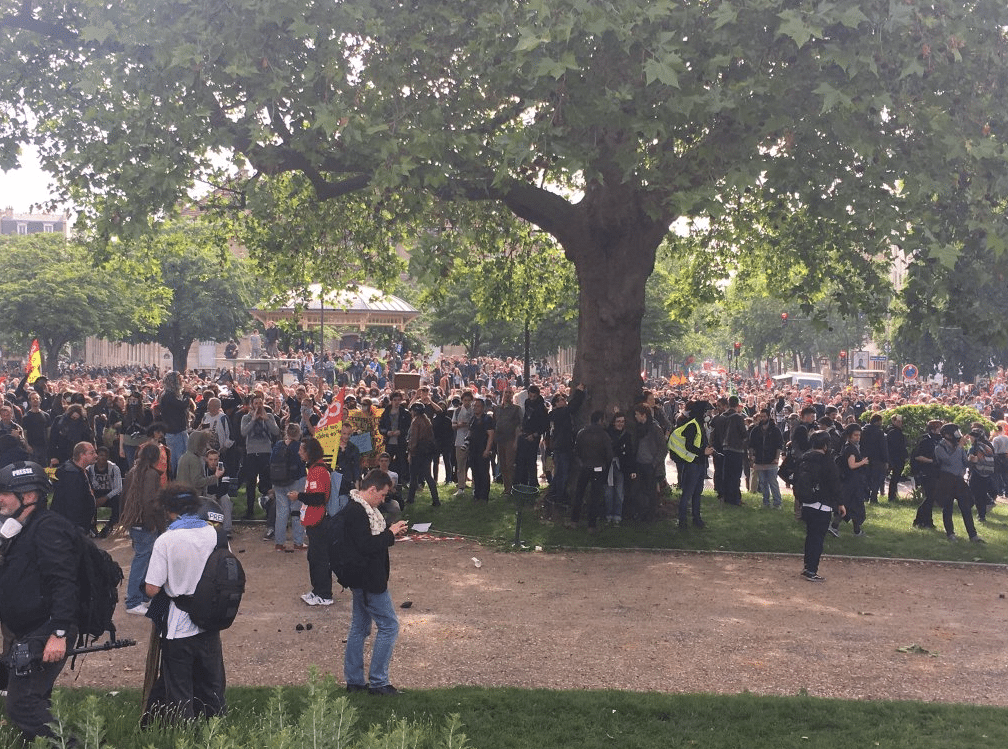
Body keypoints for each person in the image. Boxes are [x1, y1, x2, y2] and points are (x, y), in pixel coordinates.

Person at [0, 461, 81, 745]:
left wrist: (58, 633)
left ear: (29, 496)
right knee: (34, 700)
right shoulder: (19, 529)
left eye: (5, 492)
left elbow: (64, 582)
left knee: (21, 705)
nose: (0, 498)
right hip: (28, 630)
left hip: (46, 630)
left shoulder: (48, 528)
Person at [144, 484, 227, 722]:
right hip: (209, 619)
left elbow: (152, 588)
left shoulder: (166, 540)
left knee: (179, 689)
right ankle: (215, 729)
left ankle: (183, 733)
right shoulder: (216, 535)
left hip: (178, 624)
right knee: (211, 684)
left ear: (169, 510)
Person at [342, 469, 409, 696]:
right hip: (369, 579)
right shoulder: (358, 512)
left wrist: (390, 533)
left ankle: (355, 681)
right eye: (382, 494)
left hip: (361, 578)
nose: (383, 500)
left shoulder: (360, 509)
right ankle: (379, 682)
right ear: (372, 490)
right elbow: (367, 546)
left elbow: (366, 542)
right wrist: (390, 534)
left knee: (360, 627)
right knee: (389, 626)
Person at [119, 442, 168, 615]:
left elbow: (123, 497)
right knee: (141, 561)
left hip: (135, 523)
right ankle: (133, 601)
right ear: (156, 458)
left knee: (144, 560)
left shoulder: (133, 471)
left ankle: (140, 596)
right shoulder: (151, 474)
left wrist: (125, 520)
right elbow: (150, 502)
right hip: (145, 524)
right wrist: (154, 525)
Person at [795, 431, 845, 582]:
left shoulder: (804, 458)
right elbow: (835, 484)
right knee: (818, 539)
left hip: (807, 503)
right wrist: (840, 503)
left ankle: (807, 566)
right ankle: (811, 570)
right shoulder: (827, 462)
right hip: (822, 504)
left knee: (810, 536)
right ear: (825, 445)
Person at [295, 437, 334, 606]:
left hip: (319, 520)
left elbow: (318, 498)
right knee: (314, 557)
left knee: (320, 558)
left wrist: (299, 496)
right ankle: (317, 590)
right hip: (314, 519)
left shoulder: (318, 471)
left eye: (302, 450)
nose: (299, 452)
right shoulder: (315, 469)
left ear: (309, 452)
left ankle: (324, 594)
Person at [933, 423, 984, 543]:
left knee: (966, 507)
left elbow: (964, 462)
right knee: (948, 507)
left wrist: (973, 460)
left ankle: (973, 535)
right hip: (946, 479)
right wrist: (960, 447)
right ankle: (950, 533)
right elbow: (949, 461)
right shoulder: (939, 447)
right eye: (955, 432)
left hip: (959, 480)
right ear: (947, 435)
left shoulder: (958, 447)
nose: (958, 435)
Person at [667, 400, 714, 529]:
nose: (709, 414)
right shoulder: (692, 425)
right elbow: (689, 446)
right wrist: (703, 451)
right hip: (692, 464)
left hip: (700, 463)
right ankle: (682, 521)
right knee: (687, 493)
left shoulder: (700, 425)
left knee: (697, 493)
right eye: (707, 412)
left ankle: (696, 519)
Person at [569, 410, 613, 532]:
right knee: (595, 496)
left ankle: (574, 520)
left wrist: (581, 463)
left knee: (579, 493)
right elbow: (609, 455)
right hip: (599, 467)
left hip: (585, 467)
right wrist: (605, 466)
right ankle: (592, 525)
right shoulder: (604, 435)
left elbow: (576, 451)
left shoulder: (582, 433)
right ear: (600, 420)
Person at [240, 392, 280, 519]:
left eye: (260, 403)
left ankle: (268, 510)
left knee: (266, 483)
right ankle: (249, 510)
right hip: (252, 453)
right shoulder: (246, 418)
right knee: (250, 483)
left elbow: (276, 431)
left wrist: (266, 419)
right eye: (256, 403)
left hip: (265, 453)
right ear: (251, 405)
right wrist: (253, 420)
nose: (258, 405)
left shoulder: (269, 416)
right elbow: (243, 432)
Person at [828, 423, 868, 538]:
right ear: (849, 435)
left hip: (851, 482)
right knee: (851, 506)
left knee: (852, 507)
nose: (858, 437)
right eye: (855, 435)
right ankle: (837, 527)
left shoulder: (849, 446)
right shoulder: (850, 449)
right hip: (852, 483)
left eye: (859, 435)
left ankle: (855, 530)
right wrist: (863, 462)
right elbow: (852, 465)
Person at [272, 423, 307, 551]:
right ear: (299, 433)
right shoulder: (299, 446)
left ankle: (279, 543)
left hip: (278, 481)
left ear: (286, 432)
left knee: (281, 512)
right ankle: (298, 542)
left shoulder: (278, 445)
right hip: (296, 480)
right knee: (296, 511)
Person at [50, 440, 98, 532]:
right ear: (82, 455)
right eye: (92, 453)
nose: (96, 455)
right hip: (71, 528)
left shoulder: (82, 471)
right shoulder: (71, 474)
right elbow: (72, 506)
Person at [405, 401, 440, 507]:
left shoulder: (416, 422)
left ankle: (410, 499)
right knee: (428, 476)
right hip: (427, 451)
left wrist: (410, 452)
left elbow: (414, 439)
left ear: (415, 411)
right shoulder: (427, 420)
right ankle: (436, 499)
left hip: (417, 452)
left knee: (413, 476)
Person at [748, 407, 784, 509]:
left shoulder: (775, 430)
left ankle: (777, 503)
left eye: (764, 416)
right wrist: (751, 456)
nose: (762, 418)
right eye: (761, 416)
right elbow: (751, 445)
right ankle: (766, 502)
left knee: (773, 482)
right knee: (763, 483)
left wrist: (776, 458)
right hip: (759, 460)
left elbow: (779, 445)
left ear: (768, 416)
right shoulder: (755, 430)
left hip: (771, 460)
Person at [514, 385, 549, 489]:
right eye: (530, 396)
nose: (532, 398)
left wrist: (535, 435)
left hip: (534, 435)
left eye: (534, 396)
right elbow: (526, 418)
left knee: (531, 460)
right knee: (521, 459)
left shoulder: (541, 408)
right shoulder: (527, 403)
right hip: (525, 433)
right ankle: (522, 482)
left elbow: (545, 426)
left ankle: (533, 483)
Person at [492, 389, 522, 496]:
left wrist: (516, 441)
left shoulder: (516, 409)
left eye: (510, 393)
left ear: (513, 395)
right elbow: (494, 423)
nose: (508, 395)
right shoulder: (497, 408)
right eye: (506, 393)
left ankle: (512, 488)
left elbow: (519, 426)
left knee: (510, 465)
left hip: (511, 439)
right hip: (500, 439)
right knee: (503, 465)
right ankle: (506, 488)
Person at [88, 445, 123, 538]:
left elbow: (118, 488)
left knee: (116, 499)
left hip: (109, 494)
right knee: (87, 500)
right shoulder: (90, 469)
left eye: (105, 455)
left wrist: (105, 498)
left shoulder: (114, 468)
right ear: (97, 456)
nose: (103, 457)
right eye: (100, 455)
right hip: (95, 493)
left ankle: (110, 525)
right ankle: (92, 525)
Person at [467, 397, 496, 503]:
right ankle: (477, 494)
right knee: (475, 472)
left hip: (483, 449)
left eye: (478, 406)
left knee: (483, 473)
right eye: (474, 406)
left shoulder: (487, 419)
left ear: (483, 408)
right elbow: (470, 432)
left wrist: (487, 450)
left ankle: (484, 496)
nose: (475, 408)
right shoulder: (473, 419)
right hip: (473, 449)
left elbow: (491, 435)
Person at [859, 413, 889, 504]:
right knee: (877, 479)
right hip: (877, 459)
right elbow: (883, 447)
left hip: (865, 458)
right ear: (878, 421)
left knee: (866, 478)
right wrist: (886, 460)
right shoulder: (880, 433)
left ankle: (865, 496)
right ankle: (873, 498)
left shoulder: (863, 431)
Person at [885, 414, 908, 503]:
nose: (900, 423)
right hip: (896, 458)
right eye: (898, 421)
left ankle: (893, 495)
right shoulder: (893, 432)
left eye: (901, 421)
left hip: (897, 457)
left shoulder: (895, 431)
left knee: (895, 478)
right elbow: (896, 446)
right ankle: (892, 496)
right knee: (894, 478)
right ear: (893, 421)